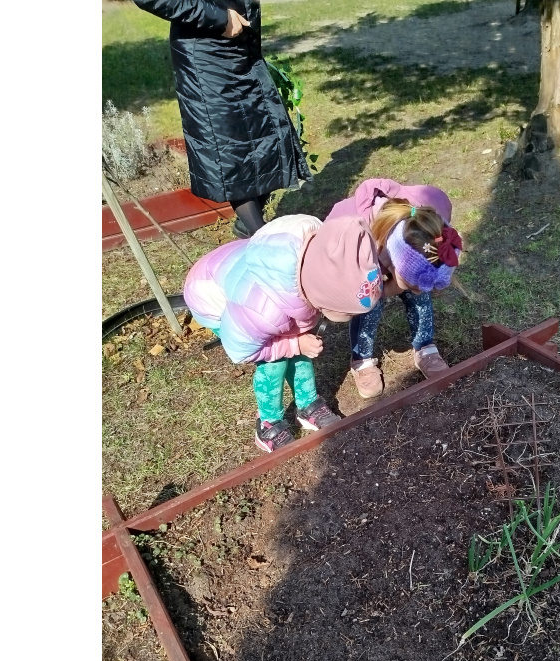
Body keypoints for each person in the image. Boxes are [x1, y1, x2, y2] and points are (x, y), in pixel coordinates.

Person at [182, 215, 385, 452]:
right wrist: (294, 344)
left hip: (253, 277)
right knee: (274, 364)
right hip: (212, 296)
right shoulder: (262, 310)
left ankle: (307, 404)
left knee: (299, 348)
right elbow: (242, 350)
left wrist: (298, 342)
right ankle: (268, 422)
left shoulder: (316, 256)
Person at [132, 0, 311, 237]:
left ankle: (250, 226)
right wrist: (219, 18)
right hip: (206, 53)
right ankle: (261, 236)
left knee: (266, 136)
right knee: (230, 150)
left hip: (242, 46)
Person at [327, 179, 464, 398]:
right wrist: (387, 288)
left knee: (419, 294)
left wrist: (414, 282)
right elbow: (348, 287)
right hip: (356, 261)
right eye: (411, 284)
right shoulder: (351, 234)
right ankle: (362, 359)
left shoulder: (432, 213)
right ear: (391, 263)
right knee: (369, 301)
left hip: (395, 251)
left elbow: (435, 252)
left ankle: (425, 346)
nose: (419, 290)